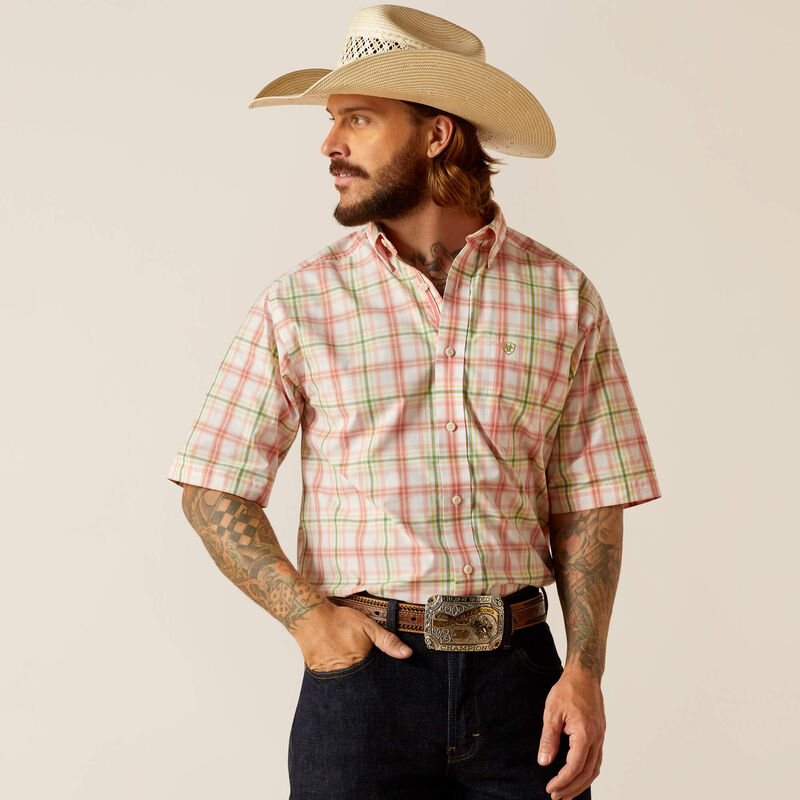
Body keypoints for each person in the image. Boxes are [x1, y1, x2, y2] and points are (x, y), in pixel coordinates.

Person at [167, 5, 662, 799]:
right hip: (364, 690)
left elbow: (590, 500)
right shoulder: (300, 303)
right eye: (333, 120)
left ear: (436, 134)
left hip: (524, 690)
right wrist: (308, 620)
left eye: (358, 119)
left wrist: (584, 670)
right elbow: (212, 485)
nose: (330, 145)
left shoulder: (561, 296)